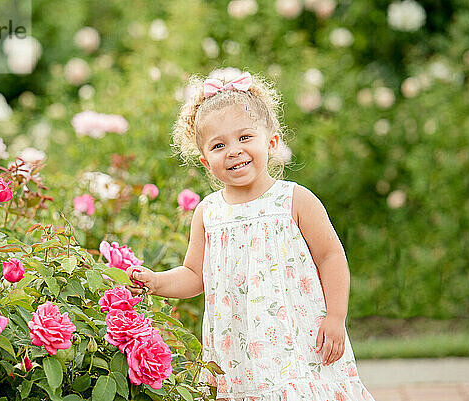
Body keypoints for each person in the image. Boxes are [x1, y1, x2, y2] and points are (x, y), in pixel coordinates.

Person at [125, 70, 375, 400]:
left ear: (270, 143)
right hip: (236, 353)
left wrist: (336, 316)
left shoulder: (295, 201)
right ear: (205, 161)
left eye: (244, 138)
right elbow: (193, 275)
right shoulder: (208, 213)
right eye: (219, 145)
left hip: (298, 345)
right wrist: (156, 282)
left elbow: (330, 257)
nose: (233, 151)